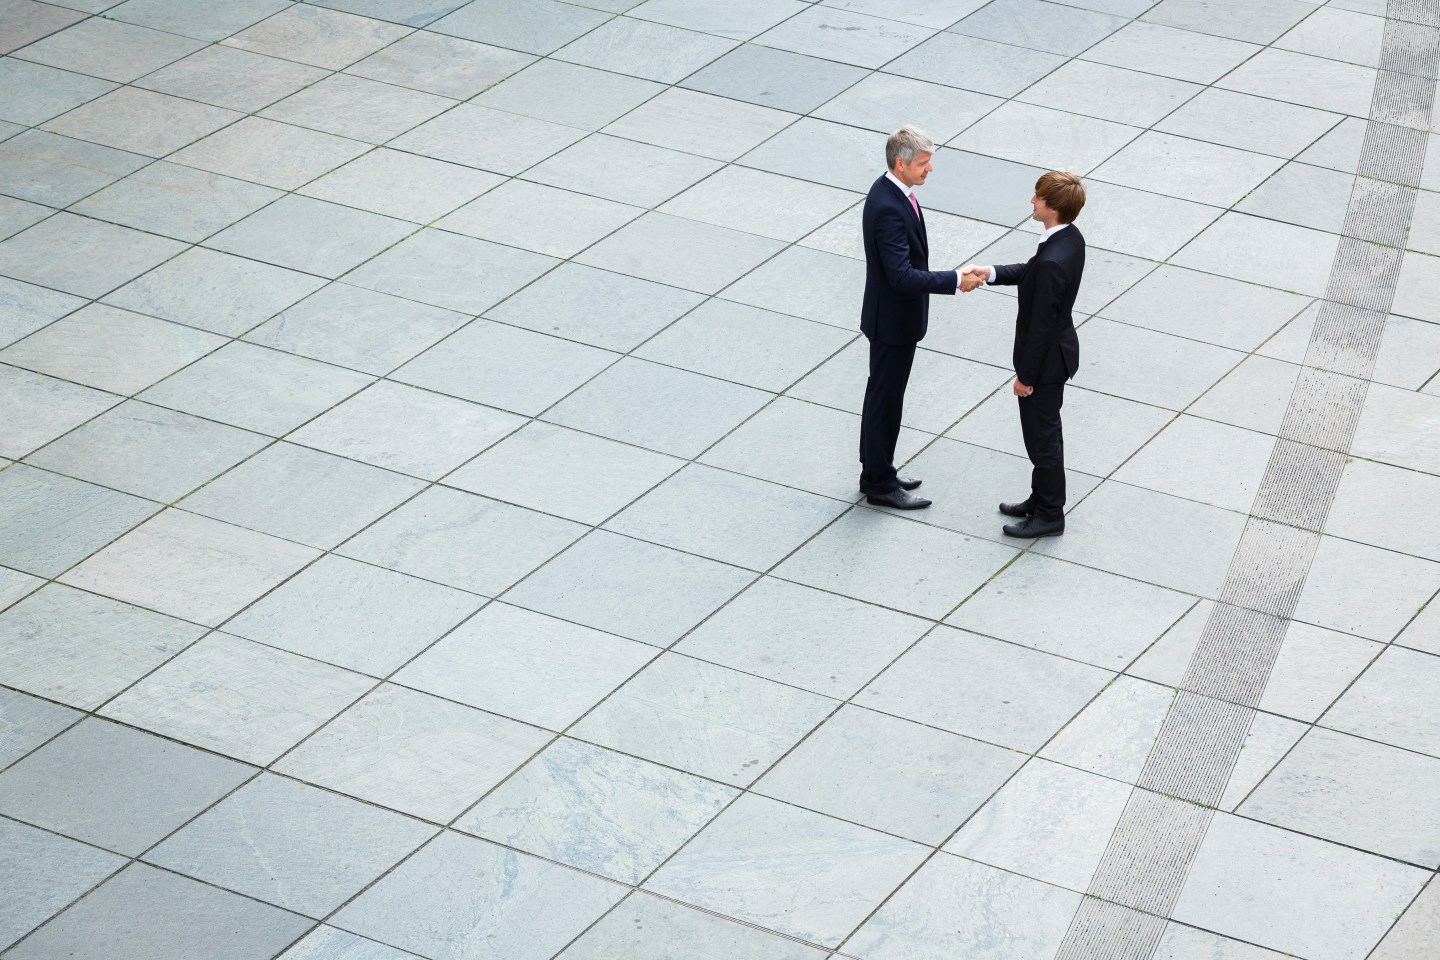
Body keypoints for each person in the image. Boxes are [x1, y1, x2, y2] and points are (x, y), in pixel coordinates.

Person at [859, 125, 982, 510]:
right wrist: (954, 280)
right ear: (901, 163)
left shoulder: (895, 193)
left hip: (894, 320)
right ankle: (878, 481)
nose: (930, 170)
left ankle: (879, 470)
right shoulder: (889, 209)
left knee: (887, 397)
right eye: (924, 163)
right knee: (885, 399)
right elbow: (901, 276)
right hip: (892, 323)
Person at [963, 171, 1086, 538]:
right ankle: (1041, 499)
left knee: (1042, 441)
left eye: (1037, 196)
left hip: (1045, 365)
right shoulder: (1067, 239)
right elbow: (1031, 272)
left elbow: (1041, 327)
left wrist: (1025, 378)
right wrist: (991, 272)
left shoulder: (1053, 259)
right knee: (1046, 436)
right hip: (1057, 357)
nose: (1032, 201)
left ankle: (1049, 514)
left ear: (1053, 206)